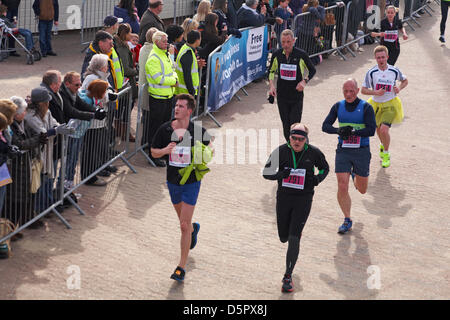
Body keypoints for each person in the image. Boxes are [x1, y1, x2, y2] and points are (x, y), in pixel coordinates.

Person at [150, 93, 212, 282]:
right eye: (176, 105)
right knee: (185, 223)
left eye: (181, 106)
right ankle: (194, 228)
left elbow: (209, 148)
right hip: (172, 182)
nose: (177, 108)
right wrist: (165, 151)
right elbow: (153, 152)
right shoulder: (165, 129)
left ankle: (181, 267)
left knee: (183, 226)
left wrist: (201, 156)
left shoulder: (197, 130)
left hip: (191, 182)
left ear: (190, 111)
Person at [263, 122, 329, 293]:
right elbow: (266, 172)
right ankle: (290, 236)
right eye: (294, 138)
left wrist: (316, 179)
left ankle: (288, 276)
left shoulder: (313, 152)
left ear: (306, 140)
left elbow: (325, 168)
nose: (297, 142)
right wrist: (281, 174)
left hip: (303, 199)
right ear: (289, 137)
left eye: (301, 139)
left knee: (293, 238)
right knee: (283, 237)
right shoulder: (281, 151)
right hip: (284, 198)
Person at [322, 79, 376, 234]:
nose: (348, 94)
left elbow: (371, 130)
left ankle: (355, 176)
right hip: (343, 150)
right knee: (342, 185)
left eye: (351, 91)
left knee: (362, 190)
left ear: (357, 90)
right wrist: (338, 131)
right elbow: (325, 126)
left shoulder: (366, 107)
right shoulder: (338, 106)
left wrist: (353, 132)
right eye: (345, 91)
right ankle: (347, 219)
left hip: (361, 151)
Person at [24, 87, 74, 213]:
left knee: (48, 180)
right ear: (41, 103)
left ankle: (47, 205)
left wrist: (59, 127)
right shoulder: (30, 115)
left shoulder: (46, 111)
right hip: (37, 155)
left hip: (48, 152)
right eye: (47, 101)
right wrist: (57, 131)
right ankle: (40, 209)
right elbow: (42, 132)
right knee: (39, 183)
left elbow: (54, 122)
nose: (49, 103)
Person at [361, 45, 408, 168]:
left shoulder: (394, 70)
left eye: (383, 57)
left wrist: (399, 88)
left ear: (387, 57)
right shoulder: (371, 72)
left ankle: (386, 154)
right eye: (378, 58)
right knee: (377, 129)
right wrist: (375, 92)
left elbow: (405, 81)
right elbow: (363, 90)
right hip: (375, 104)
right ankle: (383, 144)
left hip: (390, 104)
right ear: (375, 59)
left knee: (384, 129)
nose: (381, 60)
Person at [3, 96, 44, 232]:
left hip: (23, 168)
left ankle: (12, 230)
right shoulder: (9, 128)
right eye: (23, 111)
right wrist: (37, 140)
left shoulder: (23, 123)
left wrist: (35, 139)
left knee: (20, 201)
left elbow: (31, 137)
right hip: (14, 170)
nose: (25, 113)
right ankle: (8, 232)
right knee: (11, 204)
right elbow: (20, 144)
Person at [268, 29, 316, 142]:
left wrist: (304, 81)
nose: (286, 45)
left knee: (295, 126)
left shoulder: (301, 55)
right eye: (283, 42)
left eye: (288, 42)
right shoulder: (277, 55)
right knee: (285, 126)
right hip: (282, 96)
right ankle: (291, 150)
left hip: (296, 96)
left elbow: (312, 70)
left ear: (293, 41)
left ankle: (302, 147)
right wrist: (271, 86)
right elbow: (270, 71)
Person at [145, 31, 178, 167]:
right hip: (158, 98)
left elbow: (172, 68)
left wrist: (174, 78)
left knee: (165, 127)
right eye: (164, 41)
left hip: (168, 96)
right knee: (156, 129)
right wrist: (173, 81)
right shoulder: (153, 58)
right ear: (157, 42)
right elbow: (158, 78)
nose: (167, 43)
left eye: (167, 40)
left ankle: (163, 152)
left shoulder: (165, 54)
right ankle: (153, 155)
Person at [78, 80, 110, 187]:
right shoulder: (87, 100)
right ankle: (89, 177)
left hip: (89, 129)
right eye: (104, 91)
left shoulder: (90, 98)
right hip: (89, 130)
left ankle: (91, 176)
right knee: (90, 154)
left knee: (92, 153)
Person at [114, 23, 138, 142]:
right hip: (126, 84)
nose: (131, 35)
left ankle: (119, 131)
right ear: (125, 34)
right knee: (126, 110)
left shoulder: (119, 45)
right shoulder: (122, 48)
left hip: (121, 84)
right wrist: (136, 71)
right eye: (129, 33)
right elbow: (126, 69)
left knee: (120, 110)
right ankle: (125, 133)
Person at [138, 27, 158, 149]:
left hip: (144, 88)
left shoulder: (144, 49)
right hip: (149, 89)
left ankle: (144, 142)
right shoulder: (152, 51)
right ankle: (145, 143)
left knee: (146, 116)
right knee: (149, 119)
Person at [175, 30, 202, 97]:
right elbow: (187, 75)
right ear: (197, 40)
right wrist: (191, 91)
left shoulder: (185, 48)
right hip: (186, 92)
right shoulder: (188, 53)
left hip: (183, 91)